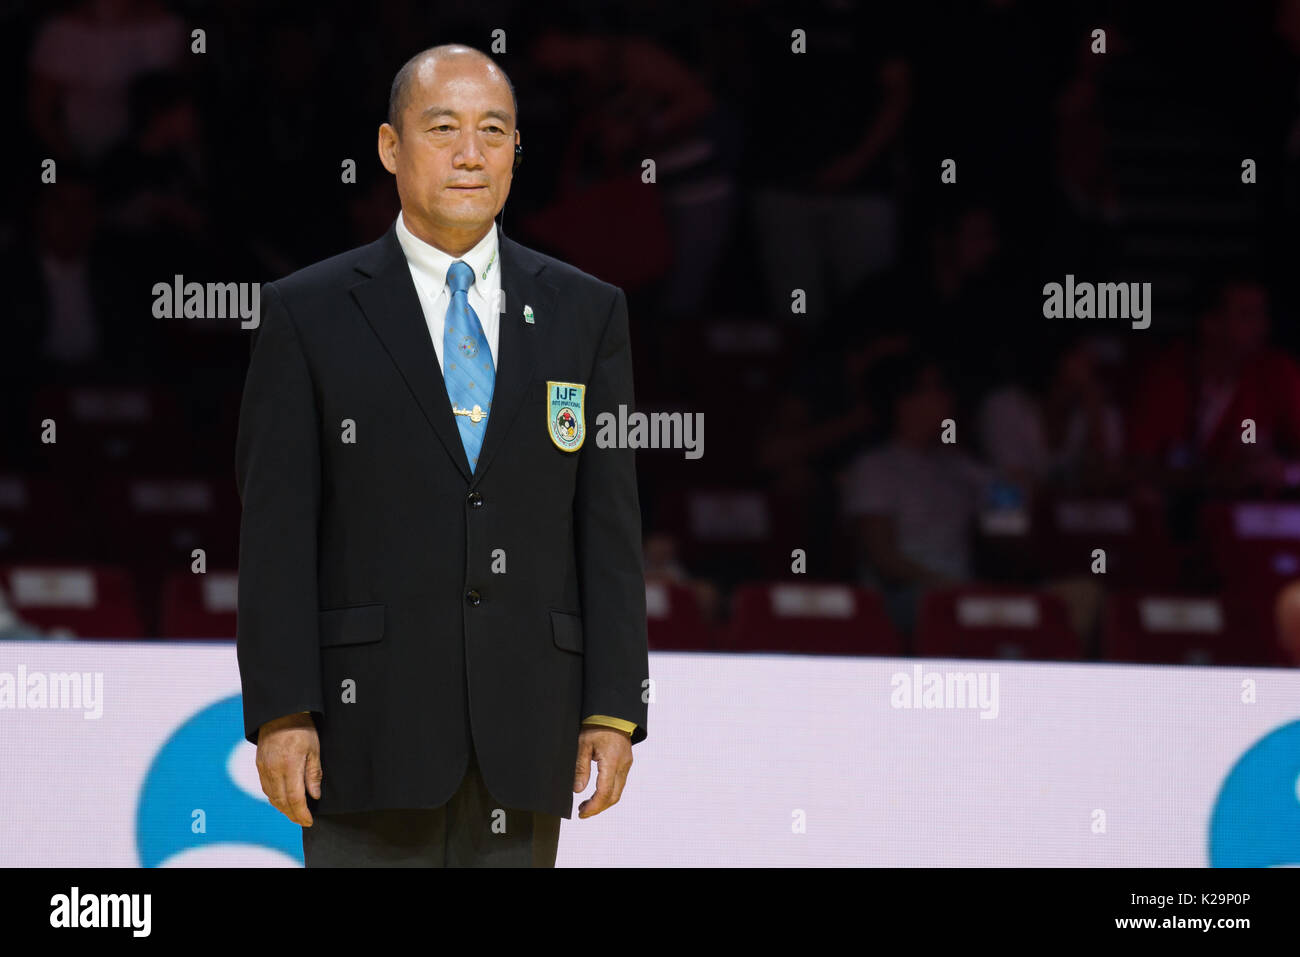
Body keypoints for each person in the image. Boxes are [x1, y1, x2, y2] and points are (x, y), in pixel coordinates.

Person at [236, 44, 648, 867]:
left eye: (494, 130)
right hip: (366, 735)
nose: (471, 153)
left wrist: (612, 706)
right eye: (444, 128)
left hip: (527, 730)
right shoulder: (306, 312)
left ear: (515, 151)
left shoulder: (586, 312)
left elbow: (609, 524)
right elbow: (276, 533)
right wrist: (284, 711)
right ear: (391, 148)